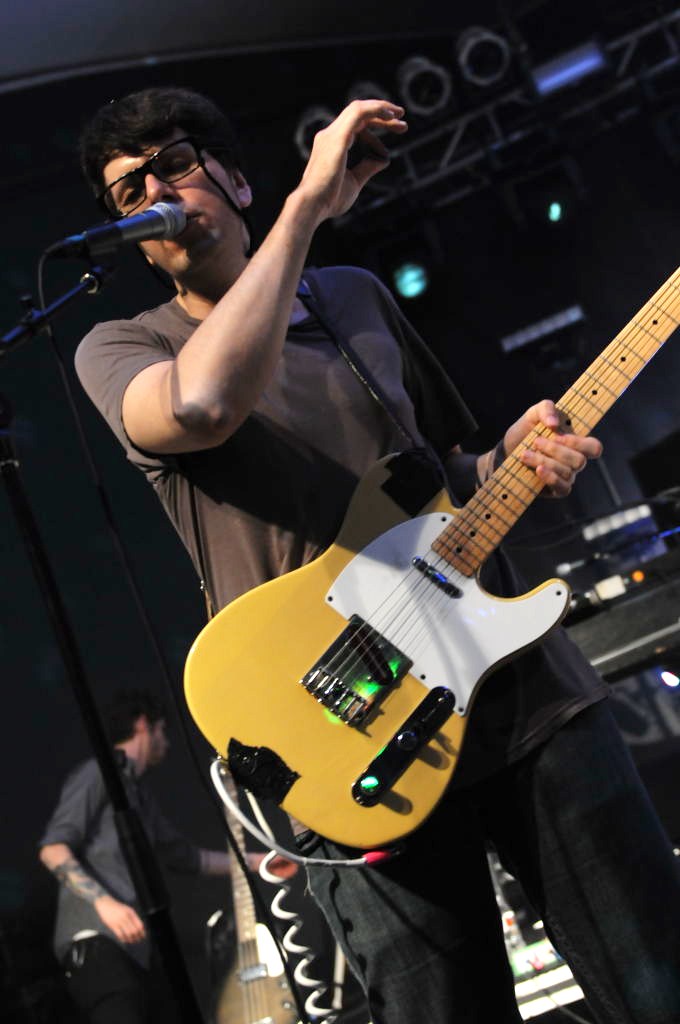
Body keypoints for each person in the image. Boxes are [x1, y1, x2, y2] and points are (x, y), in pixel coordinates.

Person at [71, 86, 680, 1024]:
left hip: (518, 693)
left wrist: (513, 460)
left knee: (657, 983)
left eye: (175, 164)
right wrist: (305, 209)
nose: (155, 191)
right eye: (129, 191)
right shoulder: (123, 346)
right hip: (339, 734)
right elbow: (199, 408)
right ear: (136, 240)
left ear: (236, 180)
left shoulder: (351, 296)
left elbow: (444, 476)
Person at [38, 687, 239, 1023]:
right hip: (96, 942)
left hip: (137, 952)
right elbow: (52, 849)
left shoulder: (140, 797)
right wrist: (105, 903)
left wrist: (257, 862)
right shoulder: (97, 773)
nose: (167, 742)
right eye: (162, 730)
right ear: (144, 725)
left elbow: (188, 858)